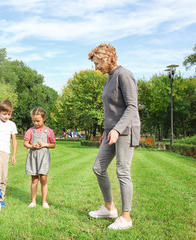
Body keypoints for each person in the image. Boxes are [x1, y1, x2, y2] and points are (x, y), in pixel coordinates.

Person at [87, 43, 140, 230]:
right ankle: (109, 208)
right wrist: (106, 131)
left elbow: (132, 107)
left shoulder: (124, 75)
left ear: (106, 58)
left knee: (122, 171)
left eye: (96, 63)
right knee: (98, 168)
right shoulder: (109, 78)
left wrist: (116, 130)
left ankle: (126, 217)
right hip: (112, 131)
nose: (96, 68)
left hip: (125, 130)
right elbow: (111, 110)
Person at [23, 107, 56, 209]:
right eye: (34, 121)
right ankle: (33, 201)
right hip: (33, 157)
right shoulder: (30, 131)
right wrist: (32, 146)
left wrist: (45, 144)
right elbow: (25, 143)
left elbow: (53, 144)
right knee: (34, 180)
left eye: (38, 121)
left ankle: (44, 201)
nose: (36, 123)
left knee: (43, 178)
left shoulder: (49, 131)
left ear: (44, 118)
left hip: (44, 158)